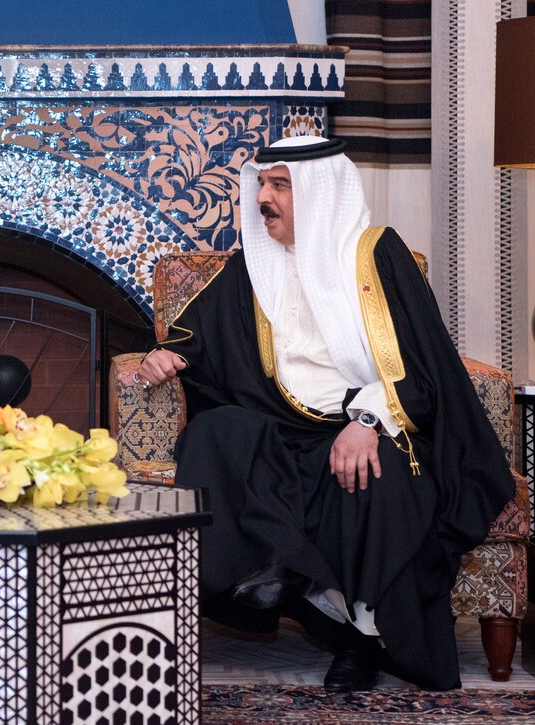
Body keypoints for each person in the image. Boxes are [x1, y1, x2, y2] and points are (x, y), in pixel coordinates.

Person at [136, 135, 513, 692]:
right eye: (262, 184)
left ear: (318, 193)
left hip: (365, 420)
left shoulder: (376, 255)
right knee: (217, 432)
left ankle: (362, 635)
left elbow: (422, 364)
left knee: (376, 474)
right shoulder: (255, 264)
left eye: (280, 186)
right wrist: (168, 355)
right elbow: (204, 335)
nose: (264, 198)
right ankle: (281, 568)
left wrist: (365, 422)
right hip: (281, 423)